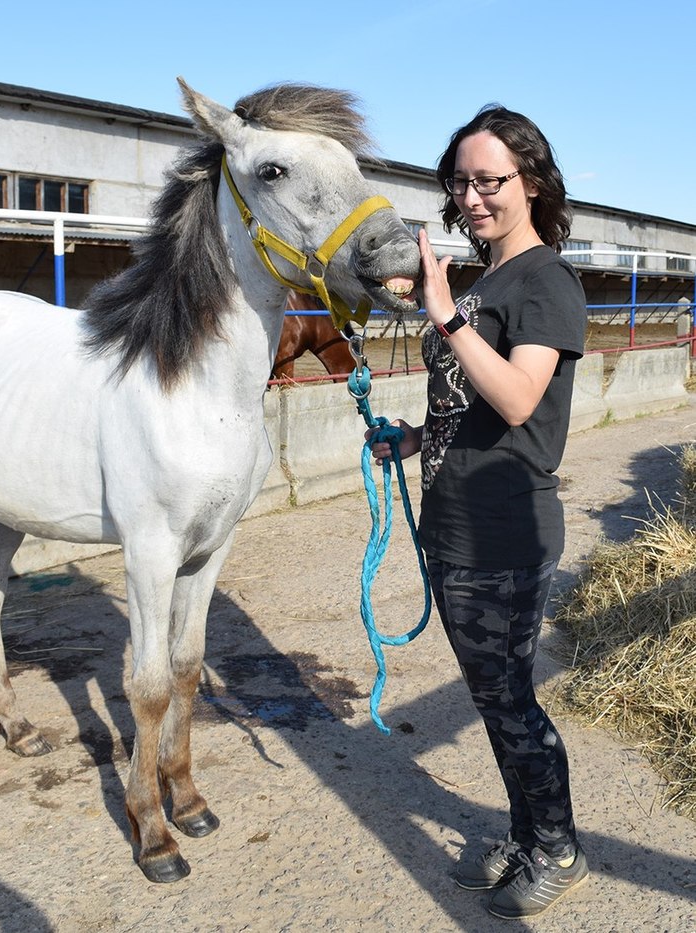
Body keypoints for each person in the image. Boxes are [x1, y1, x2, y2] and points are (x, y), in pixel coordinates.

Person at [369, 104, 588, 920]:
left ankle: (559, 847)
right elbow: (471, 405)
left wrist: (447, 315)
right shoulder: (487, 279)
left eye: (488, 180)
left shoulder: (545, 281)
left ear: (529, 181)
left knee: (510, 703)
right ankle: (528, 834)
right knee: (495, 698)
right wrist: (416, 436)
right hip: (452, 524)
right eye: (459, 182)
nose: (471, 197)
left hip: (505, 530)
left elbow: (522, 397)